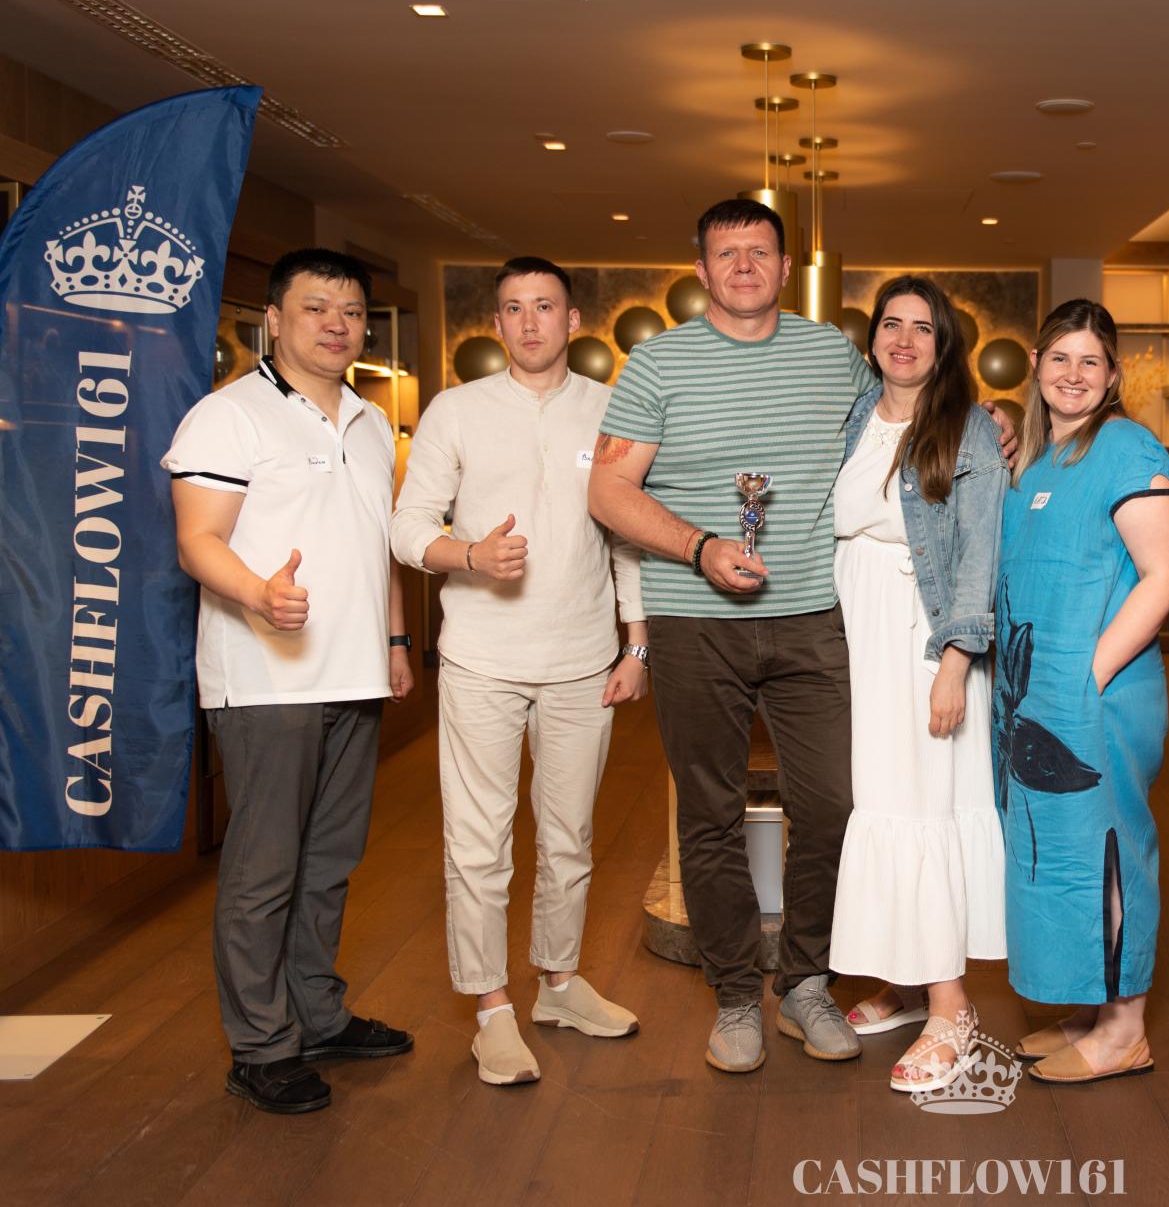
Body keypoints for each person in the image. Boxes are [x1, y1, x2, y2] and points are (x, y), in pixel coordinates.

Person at [587, 199, 876, 1073]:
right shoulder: (657, 361)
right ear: (702, 271)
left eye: (759, 251)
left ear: (786, 269)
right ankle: (738, 996)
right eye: (726, 253)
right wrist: (700, 547)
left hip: (812, 617)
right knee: (708, 814)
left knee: (832, 805)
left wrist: (988, 427)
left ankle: (807, 983)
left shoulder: (834, 354)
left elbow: (902, 431)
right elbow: (607, 490)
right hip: (694, 620)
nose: (744, 266)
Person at [163, 248, 415, 1115]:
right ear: (273, 318)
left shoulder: (371, 422)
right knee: (264, 870)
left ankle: (318, 1014)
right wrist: (258, 594)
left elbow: (377, 544)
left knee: (330, 861)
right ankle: (260, 1046)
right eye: (315, 308)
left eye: (351, 311)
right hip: (266, 677)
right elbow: (197, 540)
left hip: (353, 673)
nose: (336, 325)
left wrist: (394, 640)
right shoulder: (227, 415)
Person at [390, 256, 648, 1087]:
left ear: (573, 321)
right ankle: (492, 1008)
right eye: (513, 308)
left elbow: (627, 534)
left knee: (570, 837)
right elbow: (406, 526)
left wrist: (636, 644)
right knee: (479, 843)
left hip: (583, 661)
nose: (529, 321)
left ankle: (559, 984)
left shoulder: (611, 409)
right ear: (496, 323)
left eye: (544, 306)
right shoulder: (455, 410)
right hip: (482, 659)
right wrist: (469, 554)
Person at [994, 299, 1169, 1085]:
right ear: (1037, 366)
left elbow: (1165, 572)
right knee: (1058, 854)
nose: (1073, 374)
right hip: (1034, 702)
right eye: (1060, 358)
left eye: (1091, 362)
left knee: (1108, 851)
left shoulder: (1125, 446)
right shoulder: (1038, 464)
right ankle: (1092, 1008)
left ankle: (1126, 1029)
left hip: (1096, 699)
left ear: (1111, 377)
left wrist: (1091, 673)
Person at [826, 275, 1007, 1093]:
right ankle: (903, 979)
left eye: (923, 327)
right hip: (857, 633)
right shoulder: (856, 414)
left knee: (924, 804)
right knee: (882, 800)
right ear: (872, 339)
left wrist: (955, 663)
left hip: (922, 637)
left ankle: (950, 1006)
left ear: (945, 344)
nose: (904, 339)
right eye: (891, 324)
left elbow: (980, 552)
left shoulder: (969, 428)